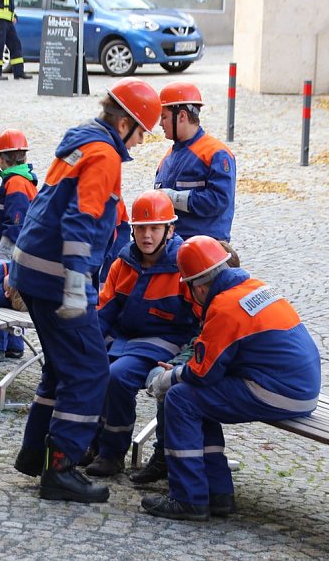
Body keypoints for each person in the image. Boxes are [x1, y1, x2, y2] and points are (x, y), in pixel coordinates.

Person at [8, 77, 161, 503]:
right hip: (58, 278)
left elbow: (46, 206)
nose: (143, 140)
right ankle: (60, 470)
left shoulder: (79, 144)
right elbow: (81, 220)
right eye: (143, 131)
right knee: (89, 370)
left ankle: (35, 453)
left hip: (33, 271)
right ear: (127, 123)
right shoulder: (103, 155)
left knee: (60, 367)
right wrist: (77, 283)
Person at [141, 235, 321, 521]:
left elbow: (202, 373)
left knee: (181, 397)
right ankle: (218, 493)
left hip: (278, 390)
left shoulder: (225, 306)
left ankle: (189, 498)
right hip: (302, 388)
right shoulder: (254, 287)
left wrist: (166, 379)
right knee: (201, 397)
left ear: (198, 286)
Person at [84, 190, 199, 478]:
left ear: (169, 230)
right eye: (141, 228)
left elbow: (202, 317)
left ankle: (112, 453)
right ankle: (92, 442)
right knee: (91, 370)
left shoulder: (183, 266)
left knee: (117, 376)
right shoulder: (123, 264)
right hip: (126, 340)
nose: (147, 235)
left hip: (164, 344)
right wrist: (85, 347)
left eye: (155, 228)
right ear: (132, 230)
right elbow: (104, 312)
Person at [129, 239, 240, 485]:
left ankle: (185, 481)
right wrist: (178, 368)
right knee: (168, 381)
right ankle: (209, 484)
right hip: (206, 358)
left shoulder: (226, 305)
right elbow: (198, 345)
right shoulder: (215, 297)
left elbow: (211, 366)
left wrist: (178, 373)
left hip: (244, 379)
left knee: (180, 392)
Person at [154, 82, 236, 242]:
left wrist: (173, 198)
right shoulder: (167, 158)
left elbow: (219, 200)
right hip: (173, 247)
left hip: (207, 248)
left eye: (164, 117)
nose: (160, 124)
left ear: (182, 116)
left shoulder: (216, 153)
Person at [0, 128, 37, 362]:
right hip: (18, 254)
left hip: (5, 253)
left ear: (2, 159)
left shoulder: (15, 183)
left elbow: (16, 223)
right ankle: (14, 346)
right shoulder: (24, 181)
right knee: (13, 294)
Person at [0, 0, 32, 81]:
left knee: (15, 44)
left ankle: (19, 72)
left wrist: (13, 15)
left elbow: (9, 2)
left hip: (7, 19)